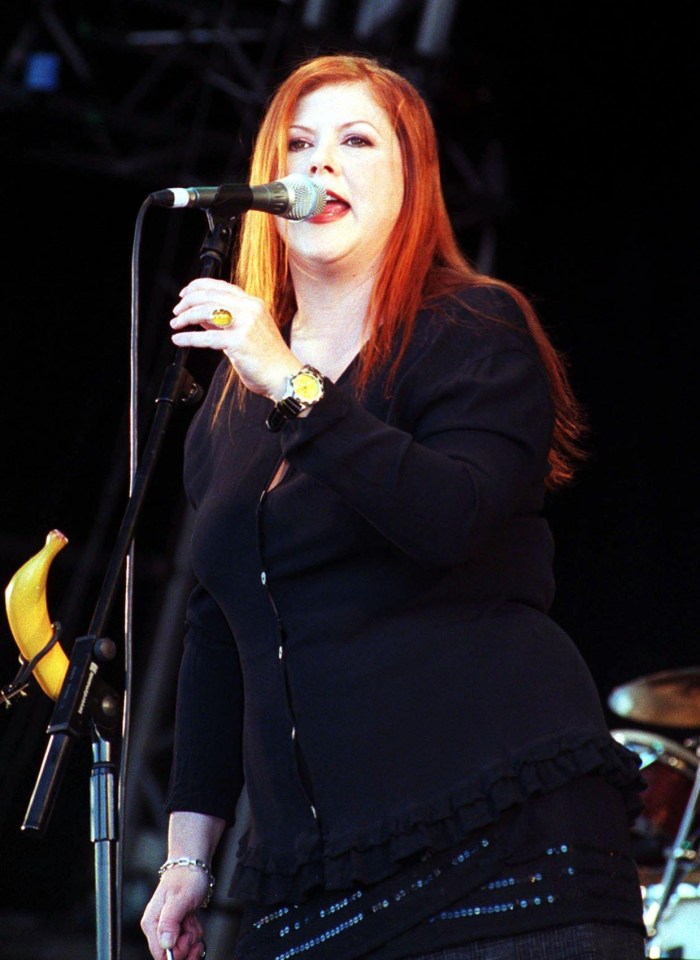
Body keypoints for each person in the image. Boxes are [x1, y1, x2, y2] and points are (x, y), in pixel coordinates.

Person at [141, 54, 647, 960]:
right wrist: (188, 858)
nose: (320, 163)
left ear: (411, 182)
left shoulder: (474, 328)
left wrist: (291, 382)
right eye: (299, 143)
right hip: (314, 878)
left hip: (503, 844)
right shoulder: (227, 410)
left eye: (356, 141)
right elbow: (221, 635)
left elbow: (449, 517)